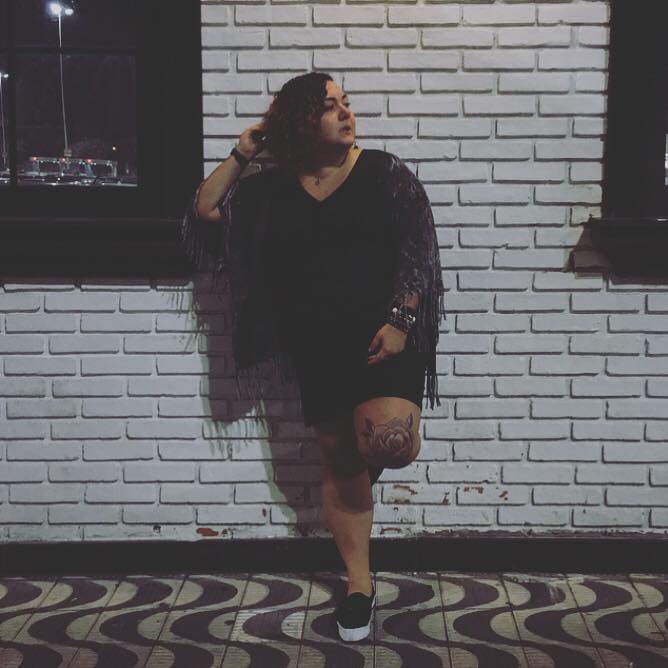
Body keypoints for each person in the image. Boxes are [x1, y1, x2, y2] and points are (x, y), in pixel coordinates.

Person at [181, 72, 446, 642]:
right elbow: (205, 209)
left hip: (386, 337)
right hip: (317, 343)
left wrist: (401, 321)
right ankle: (359, 585)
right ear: (302, 120)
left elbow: (419, 248)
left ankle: (352, 482)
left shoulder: (384, 172)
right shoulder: (271, 190)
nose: (346, 113)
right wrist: (243, 151)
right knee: (340, 458)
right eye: (330, 106)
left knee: (389, 445)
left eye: (346, 103)